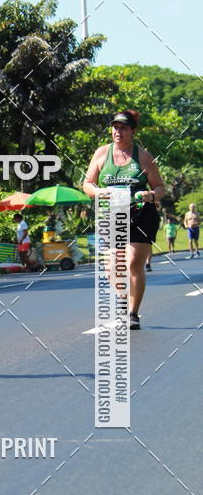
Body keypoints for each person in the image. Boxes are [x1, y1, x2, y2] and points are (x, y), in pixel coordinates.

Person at [83, 110, 165, 330]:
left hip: (141, 215)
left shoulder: (143, 157)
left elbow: (160, 187)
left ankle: (133, 313)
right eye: (115, 127)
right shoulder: (102, 154)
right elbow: (87, 184)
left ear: (132, 131)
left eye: (123, 128)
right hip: (112, 215)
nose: (117, 131)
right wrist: (100, 192)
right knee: (112, 266)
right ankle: (121, 298)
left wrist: (151, 195)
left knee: (132, 263)